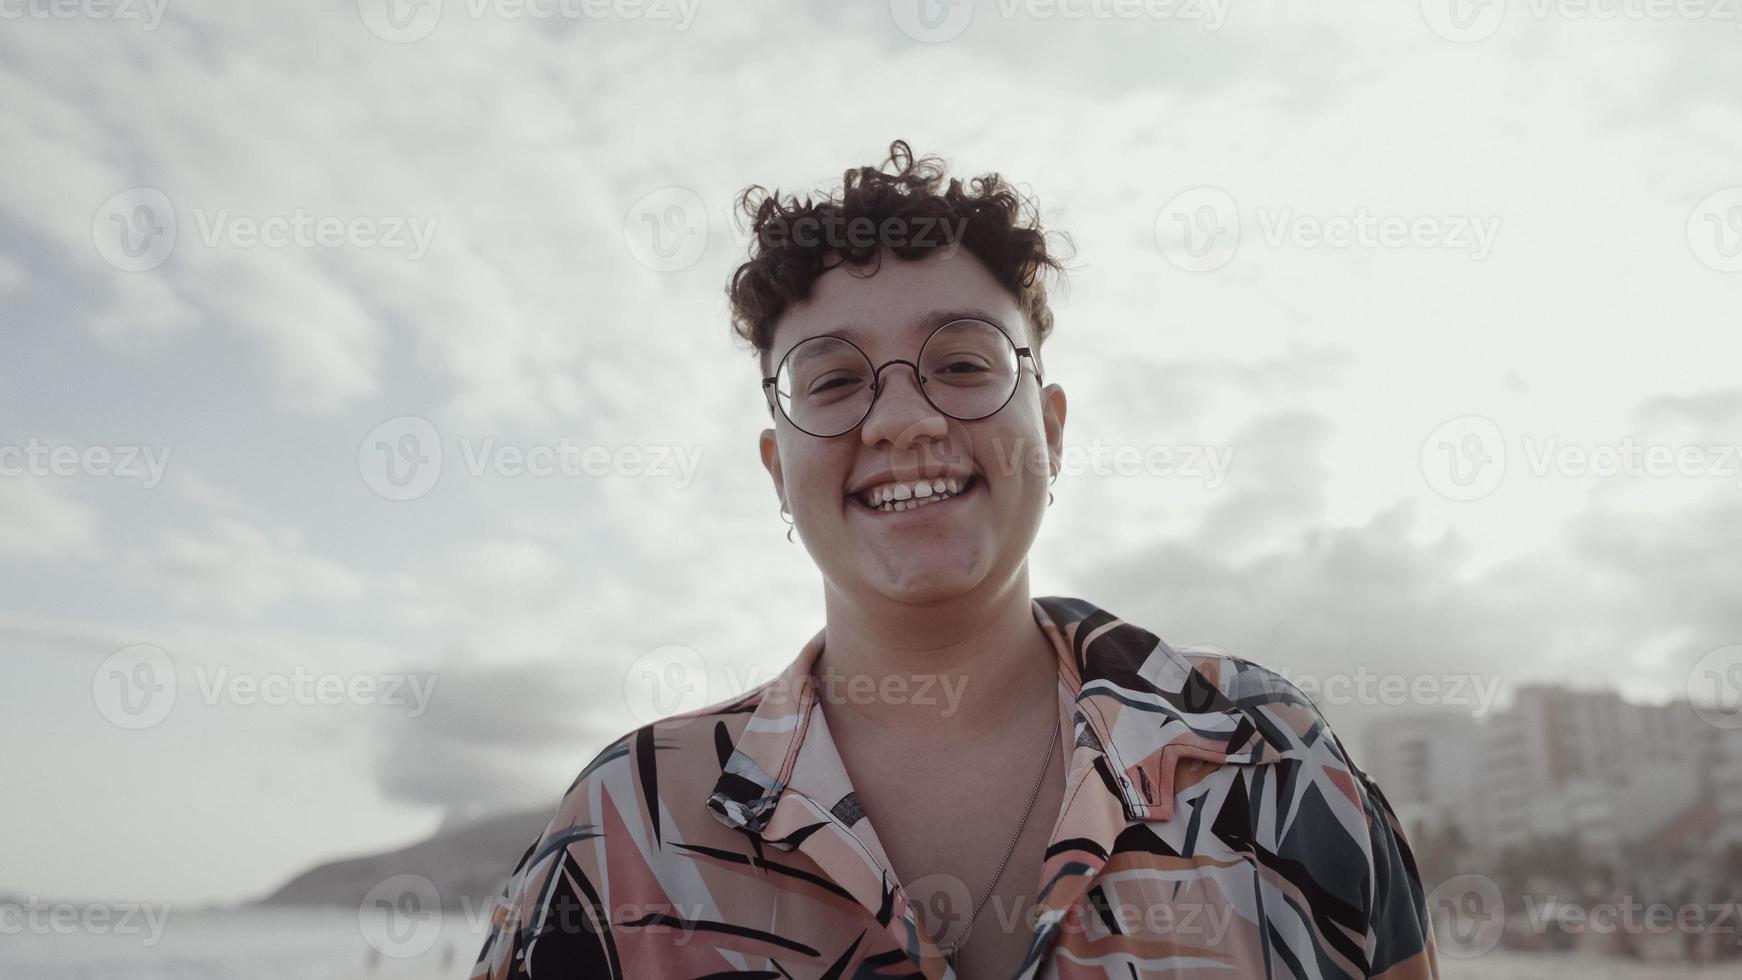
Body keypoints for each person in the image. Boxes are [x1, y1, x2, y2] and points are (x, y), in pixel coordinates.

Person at [468, 141, 1439, 979]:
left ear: (1050, 431)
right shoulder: (626, 829)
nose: (900, 418)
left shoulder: (1262, 757)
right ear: (776, 465)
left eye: (963, 362)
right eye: (834, 379)